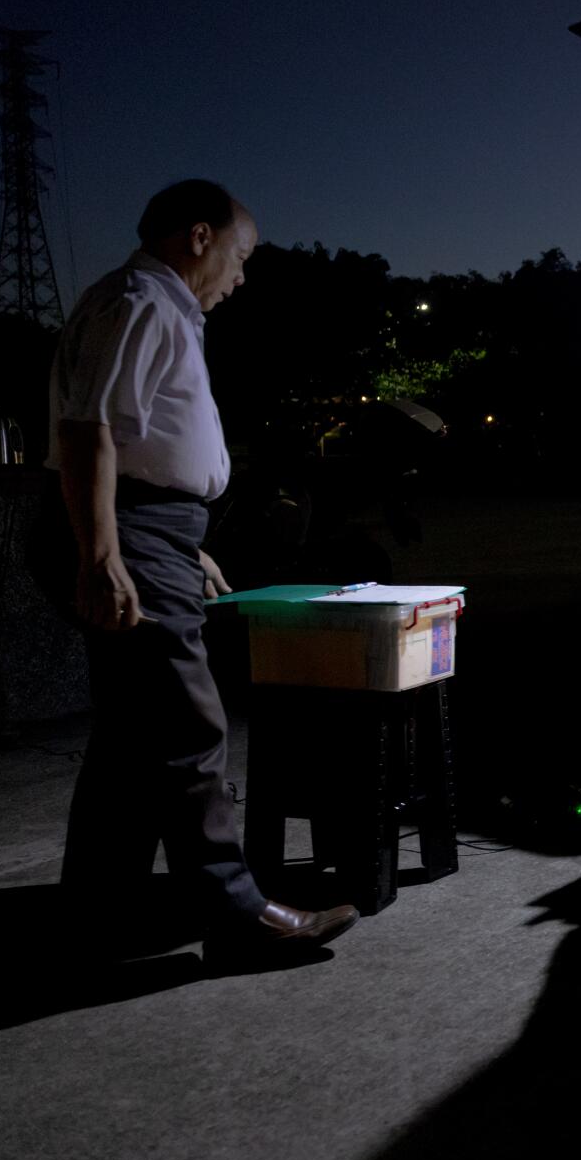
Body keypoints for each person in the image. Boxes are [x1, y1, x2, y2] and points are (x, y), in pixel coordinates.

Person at [49, 179, 358, 966]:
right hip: (131, 529)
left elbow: (137, 436)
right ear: (199, 236)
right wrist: (107, 553)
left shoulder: (140, 303)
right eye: (240, 255)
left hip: (151, 528)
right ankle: (235, 913)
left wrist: (177, 540)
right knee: (189, 726)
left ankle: (95, 914)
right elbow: (90, 430)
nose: (241, 276)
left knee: (130, 738)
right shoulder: (142, 301)